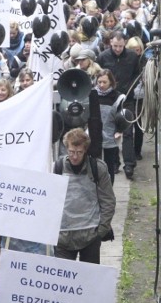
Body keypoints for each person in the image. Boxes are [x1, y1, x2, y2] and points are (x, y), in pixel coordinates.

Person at [54, 128, 116, 266]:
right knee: (62, 282)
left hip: (90, 235)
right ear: (66, 149)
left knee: (89, 283)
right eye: (71, 152)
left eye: (79, 152)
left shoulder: (97, 168)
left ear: (85, 150)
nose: (75, 156)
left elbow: (108, 201)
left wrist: (100, 231)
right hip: (62, 237)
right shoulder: (57, 168)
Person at [98, 30, 141, 178]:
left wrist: (131, 86)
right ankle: (114, 163)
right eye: (115, 46)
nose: (117, 49)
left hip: (127, 98)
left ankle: (129, 164)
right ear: (111, 43)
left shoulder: (132, 56)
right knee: (110, 131)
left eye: (120, 46)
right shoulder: (103, 57)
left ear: (125, 44)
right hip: (110, 100)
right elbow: (99, 75)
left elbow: (137, 73)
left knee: (128, 131)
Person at [95, 69, 127, 183]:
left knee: (109, 167)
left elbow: (124, 116)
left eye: (104, 82)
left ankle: (109, 192)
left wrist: (119, 130)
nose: (102, 85)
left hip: (111, 136)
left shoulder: (118, 97)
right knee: (94, 167)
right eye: (99, 82)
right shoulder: (91, 94)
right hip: (94, 136)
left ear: (111, 82)